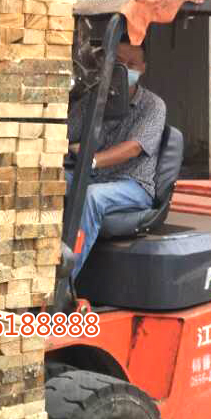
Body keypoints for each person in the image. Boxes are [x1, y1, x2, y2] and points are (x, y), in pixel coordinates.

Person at [65, 37, 166, 280]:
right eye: (119, 63)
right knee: (51, 181)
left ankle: (65, 282)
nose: (125, 70)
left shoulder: (153, 105)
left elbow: (134, 148)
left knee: (92, 196)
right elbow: (66, 132)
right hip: (94, 177)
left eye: (132, 64)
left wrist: (91, 160)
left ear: (142, 68)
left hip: (132, 185)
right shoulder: (94, 100)